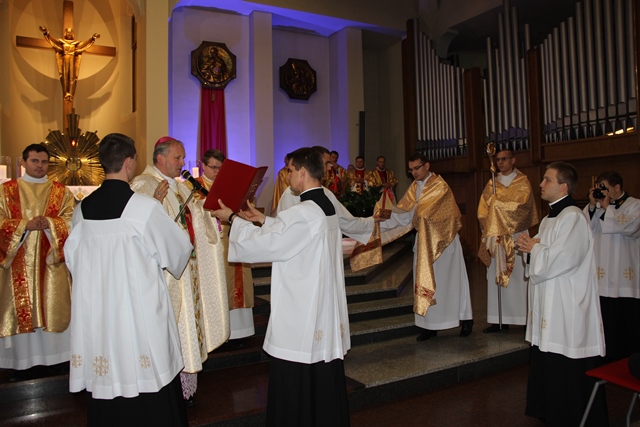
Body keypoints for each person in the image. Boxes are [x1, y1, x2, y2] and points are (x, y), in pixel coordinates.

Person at [211, 147, 350, 426]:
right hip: (321, 306)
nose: (287, 176)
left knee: (296, 376)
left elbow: (269, 245)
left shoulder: (303, 212)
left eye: (290, 170)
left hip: (302, 311)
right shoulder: (325, 205)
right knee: (320, 380)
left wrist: (233, 219)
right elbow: (292, 234)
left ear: (302, 172)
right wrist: (263, 220)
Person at [64, 133, 191, 426]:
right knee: (149, 377)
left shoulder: (82, 210)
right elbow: (178, 252)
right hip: (138, 314)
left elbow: (72, 261)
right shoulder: (144, 208)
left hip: (100, 318)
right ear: (129, 162)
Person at [130, 136, 229, 403]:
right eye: (178, 158)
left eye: (183, 157)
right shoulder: (142, 185)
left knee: (187, 326)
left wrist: (209, 211)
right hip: (165, 276)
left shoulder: (182, 188)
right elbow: (138, 228)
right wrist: (154, 203)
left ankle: (185, 385)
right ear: (160, 158)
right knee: (170, 326)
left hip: (187, 270)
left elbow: (195, 218)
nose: (182, 163)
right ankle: (166, 386)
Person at [516, 162, 607, 426]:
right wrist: (531, 250)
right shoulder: (548, 219)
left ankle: (571, 416)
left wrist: (533, 249)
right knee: (548, 359)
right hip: (550, 303)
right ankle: (551, 412)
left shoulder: (573, 218)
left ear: (564, 186)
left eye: (547, 180)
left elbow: (564, 259)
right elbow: (543, 258)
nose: (541, 184)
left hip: (567, 305)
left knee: (565, 363)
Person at [379, 152, 473, 341]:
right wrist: (376, 222)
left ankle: (465, 319)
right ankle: (429, 325)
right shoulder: (414, 188)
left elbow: (445, 215)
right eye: (411, 170)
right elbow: (404, 215)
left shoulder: (440, 186)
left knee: (450, 283)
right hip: (424, 244)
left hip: (444, 244)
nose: (414, 173)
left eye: (417, 168)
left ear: (427, 166)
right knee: (425, 283)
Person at [0, 144, 75, 370]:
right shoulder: (6, 191)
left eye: (44, 162)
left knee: (52, 309)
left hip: (51, 265)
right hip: (17, 263)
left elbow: (72, 221)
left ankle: (56, 359)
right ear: (23, 162)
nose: (40, 166)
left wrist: (51, 224)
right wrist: (24, 226)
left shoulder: (61, 191)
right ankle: (21, 363)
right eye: (35, 161)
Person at [194, 149, 256, 342]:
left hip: (233, 239)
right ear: (203, 165)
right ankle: (217, 332)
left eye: (220, 168)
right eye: (213, 167)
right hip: (211, 244)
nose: (216, 171)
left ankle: (240, 331)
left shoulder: (230, 184)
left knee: (238, 282)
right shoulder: (193, 187)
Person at [477, 149, 538, 333]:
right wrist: (492, 223)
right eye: (498, 160)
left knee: (519, 278)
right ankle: (498, 319)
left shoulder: (522, 182)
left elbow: (522, 206)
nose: (501, 163)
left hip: (516, 235)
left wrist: (498, 206)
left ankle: (523, 318)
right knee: (495, 277)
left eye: (504, 159)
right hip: (496, 237)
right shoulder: (492, 183)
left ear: (513, 160)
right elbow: (482, 211)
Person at [584, 171, 640, 361]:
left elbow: (629, 228)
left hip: (625, 280)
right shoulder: (599, 208)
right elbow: (585, 228)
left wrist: (607, 207)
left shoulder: (635, 205)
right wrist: (593, 205)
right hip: (601, 279)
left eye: (605, 188)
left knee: (625, 323)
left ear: (617, 187)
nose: (603, 193)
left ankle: (627, 361)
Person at [40, 26, 100, 102]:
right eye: (67, 32)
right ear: (65, 33)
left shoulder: (76, 43)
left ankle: (71, 93)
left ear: (73, 34)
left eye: (70, 32)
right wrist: (46, 33)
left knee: (72, 77)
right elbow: (53, 41)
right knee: (64, 77)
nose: (69, 34)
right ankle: (66, 93)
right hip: (65, 60)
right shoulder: (61, 42)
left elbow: (84, 44)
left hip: (72, 60)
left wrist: (92, 38)